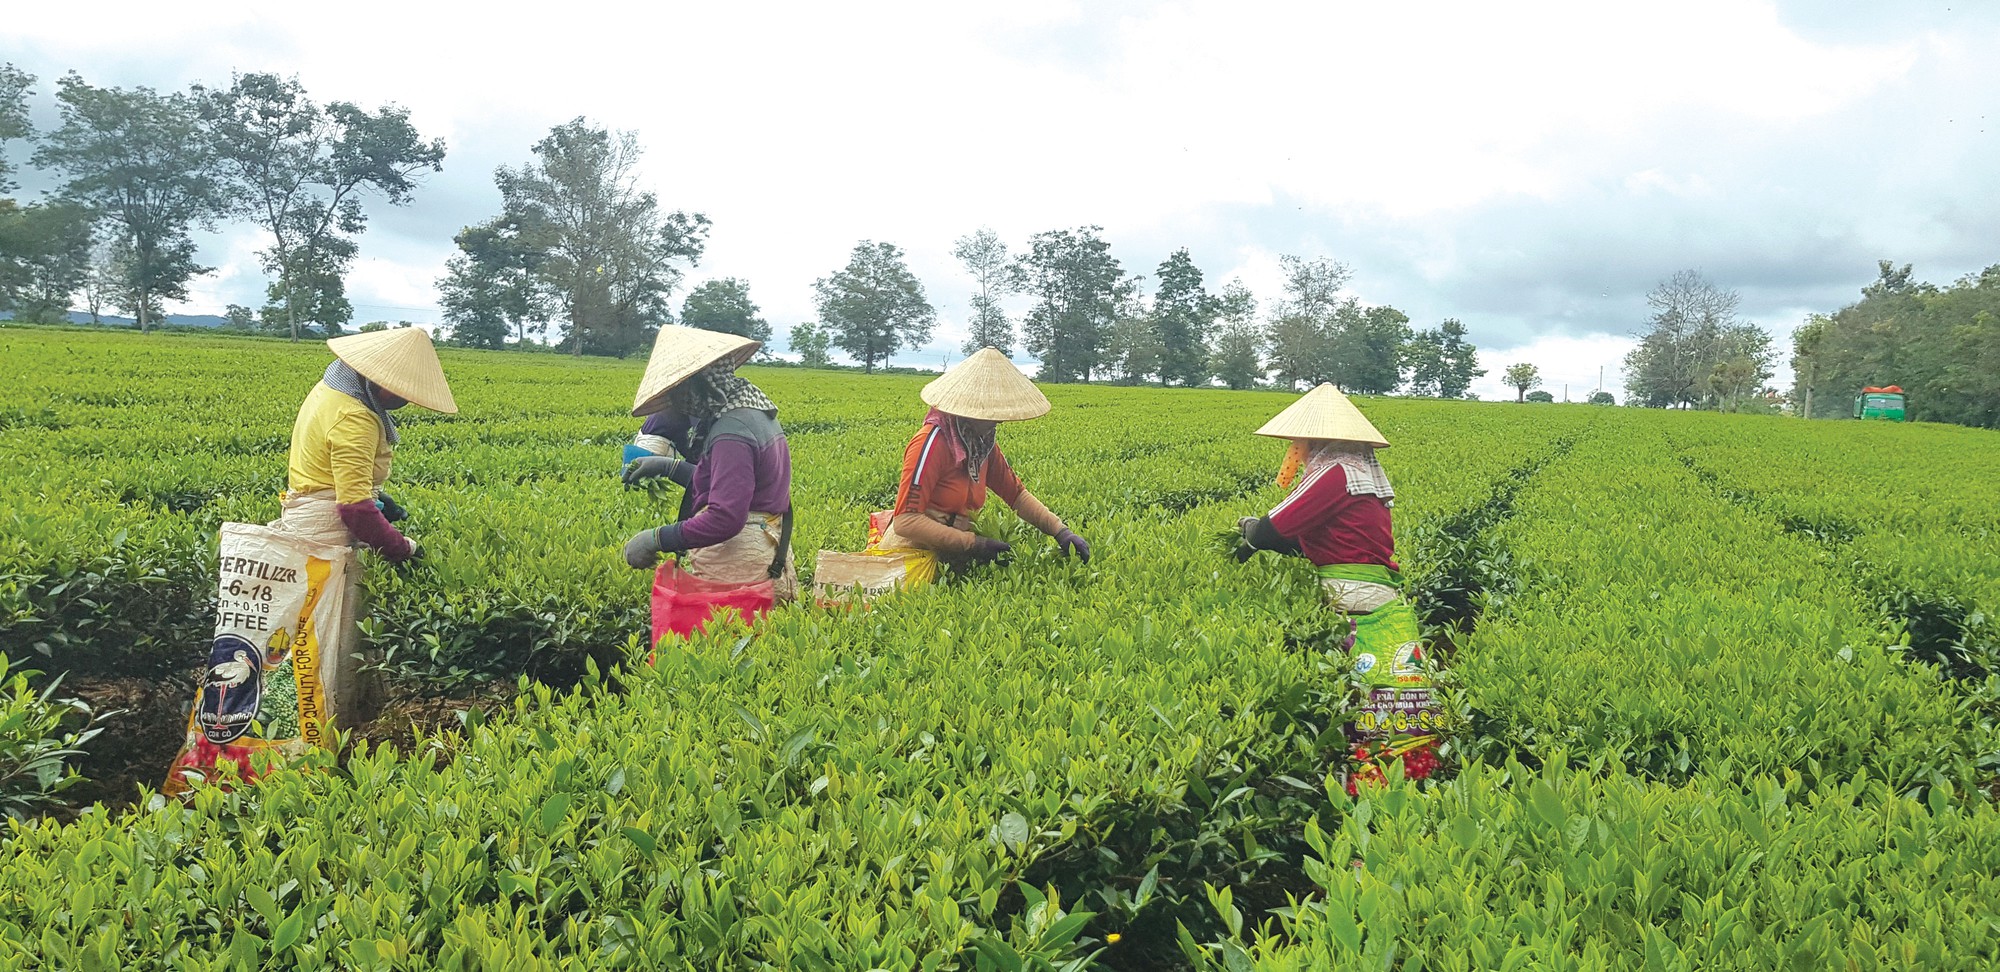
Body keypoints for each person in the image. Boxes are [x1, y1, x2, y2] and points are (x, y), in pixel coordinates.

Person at [1233, 383, 1437, 792]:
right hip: (1379, 592)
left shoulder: (1335, 470)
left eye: (1299, 440)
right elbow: (1316, 536)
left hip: (1353, 594)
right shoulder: (1358, 471)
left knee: (1362, 696)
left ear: (1316, 437)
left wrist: (1251, 535)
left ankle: (1368, 798)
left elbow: (1276, 528)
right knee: (1390, 690)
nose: (1296, 448)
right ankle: (1404, 789)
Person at [619, 326, 796, 603]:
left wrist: (657, 538)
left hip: (739, 562)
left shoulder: (731, 433)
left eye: (679, 391)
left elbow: (726, 517)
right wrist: (667, 467)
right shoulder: (750, 411)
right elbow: (734, 484)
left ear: (701, 384)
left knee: (732, 639)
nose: (677, 402)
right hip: (760, 546)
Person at [875, 347, 1089, 567]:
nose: (999, 420)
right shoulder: (931, 444)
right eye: (991, 412)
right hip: (912, 556)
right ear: (971, 410)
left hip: (952, 554)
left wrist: (1060, 531)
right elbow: (906, 521)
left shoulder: (982, 445)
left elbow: (1016, 495)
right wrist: (972, 544)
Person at [286, 328, 454, 562]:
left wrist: (377, 498)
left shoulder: (334, 387)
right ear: (376, 377)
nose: (404, 399)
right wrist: (402, 549)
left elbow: (331, 467)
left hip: (313, 515)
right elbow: (354, 508)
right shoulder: (355, 418)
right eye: (399, 389)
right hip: (326, 531)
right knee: (332, 597)